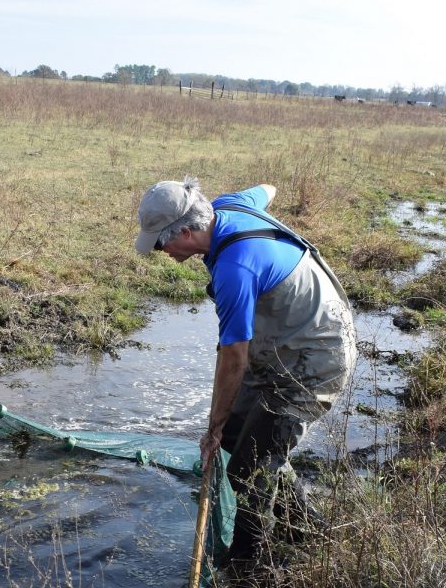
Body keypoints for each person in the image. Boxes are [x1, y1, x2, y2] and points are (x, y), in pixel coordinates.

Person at [134, 177, 356, 559]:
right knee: (241, 442)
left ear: (186, 232)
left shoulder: (235, 270)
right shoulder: (231, 205)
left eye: (160, 243)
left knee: (250, 472)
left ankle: (252, 574)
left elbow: (233, 356)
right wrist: (224, 429)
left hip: (315, 360)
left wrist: (212, 426)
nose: (160, 251)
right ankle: (307, 530)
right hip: (282, 347)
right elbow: (268, 189)